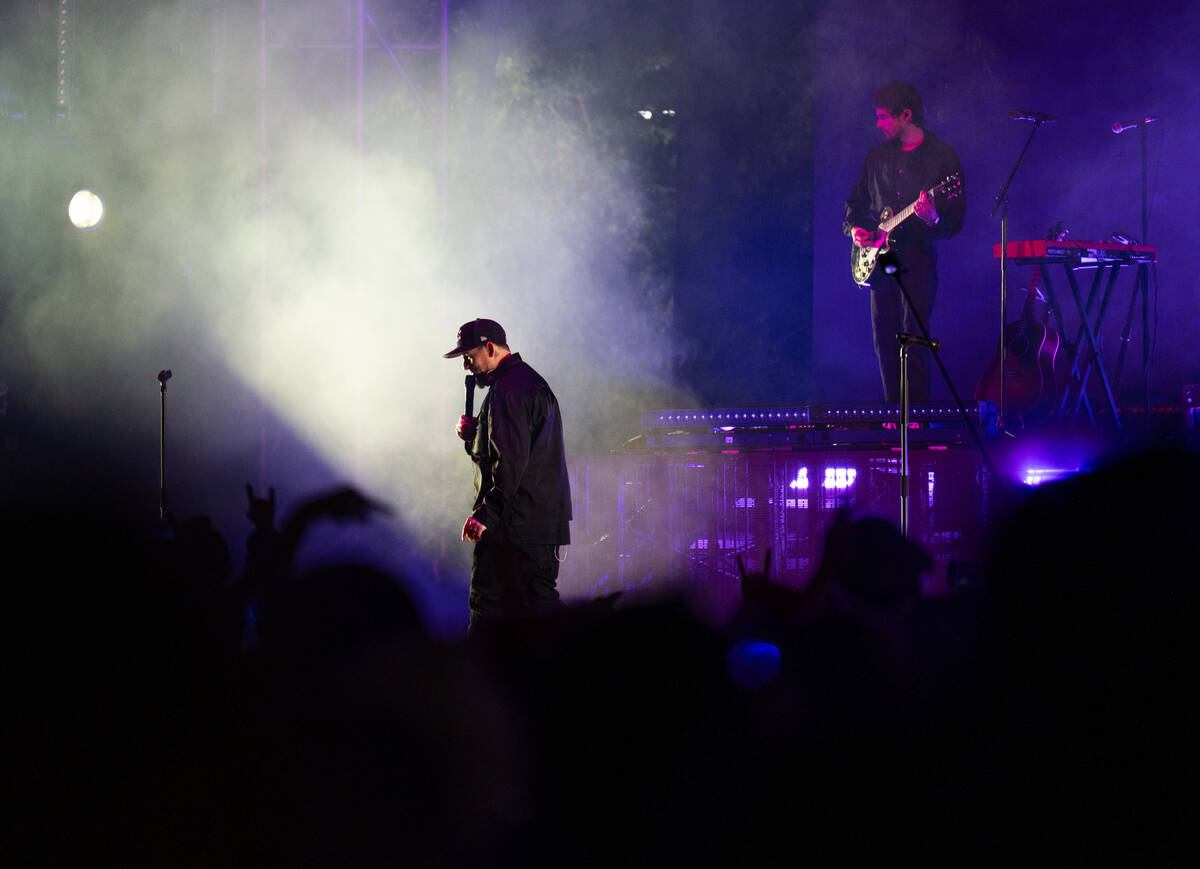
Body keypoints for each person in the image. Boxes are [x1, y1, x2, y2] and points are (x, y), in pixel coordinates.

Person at [443, 318, 572, 629]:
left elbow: (510, 462)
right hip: (539, 525)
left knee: (490, 609)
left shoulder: (508, 391)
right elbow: (526, 454)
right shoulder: (530, 383)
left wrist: (486, 514)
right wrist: (476, 437)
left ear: (490, 348)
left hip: (513, 528)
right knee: (539, 616)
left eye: (469, 357)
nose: (466, 366)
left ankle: (483, 677)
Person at [844, 81, 965, 402]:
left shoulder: (942, 158)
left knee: (914, 338)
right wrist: (856, 230)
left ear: (906, 115)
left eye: (884, 117)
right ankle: (891, 416)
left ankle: (916, 420)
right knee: (884, 338)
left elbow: (954, 222)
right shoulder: (876, 157)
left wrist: (932, 219)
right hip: (879, 260)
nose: (878, 123)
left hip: (918, 260)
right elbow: (854, 205)